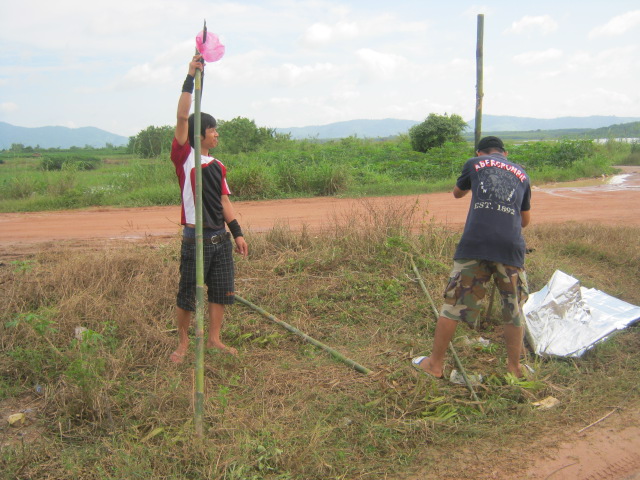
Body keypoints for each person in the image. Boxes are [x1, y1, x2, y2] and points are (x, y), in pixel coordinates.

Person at [412, 136, 531, 378]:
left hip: (475, 244)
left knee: (454, 305)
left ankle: (435, 366)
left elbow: (457, 193)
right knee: (513, 309)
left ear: (479, 152)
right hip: (510, 248)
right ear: (504, 153)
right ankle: (514, 369)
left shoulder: (474, 163)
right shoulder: (522, 173)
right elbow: (525, 220)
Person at [169, 54, 249, 364]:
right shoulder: (184, 156)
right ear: (199, 133)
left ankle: (214, 339)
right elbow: (180, 117)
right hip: (195, 238)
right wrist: (191, 77)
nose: (217, 134)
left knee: (220, 292)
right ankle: (184, 342)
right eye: (213, 130)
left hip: (219, 239)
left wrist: (237, 233)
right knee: (188, 294)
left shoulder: (218, 165)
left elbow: (224, 202)